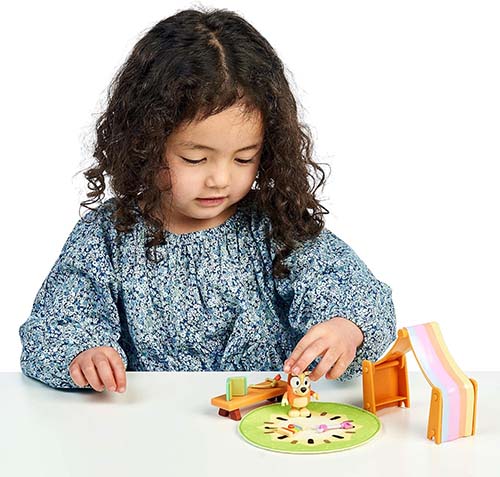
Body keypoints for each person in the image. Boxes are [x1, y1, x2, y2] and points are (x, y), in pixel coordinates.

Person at [18, 7, 396, 393]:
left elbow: (355, 292)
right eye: (195, 159)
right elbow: (55, 325)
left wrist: (345, 327)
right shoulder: (107, 236)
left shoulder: (276, 226)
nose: (220, 179)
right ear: (145, 144)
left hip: (265, 420)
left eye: (244, 158)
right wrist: (84, 354)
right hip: (148, 424)